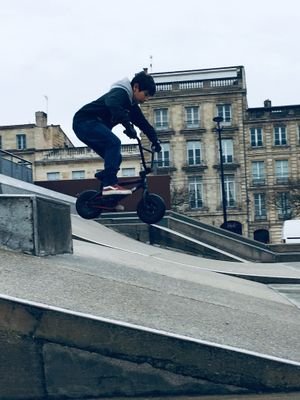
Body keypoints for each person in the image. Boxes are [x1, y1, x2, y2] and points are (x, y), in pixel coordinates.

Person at [72, 70, 161, 196]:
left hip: (87, 126)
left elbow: (143, 124)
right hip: (85, 121)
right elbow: (112, 104)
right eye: (145, 95)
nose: (146, 99)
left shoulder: (131, 106)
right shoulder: (120, 93)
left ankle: (106, 197)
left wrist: (155, 139)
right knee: (114, 143)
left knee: (115, 157)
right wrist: (127, 125)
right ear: (136, 87)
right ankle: (109, 185)